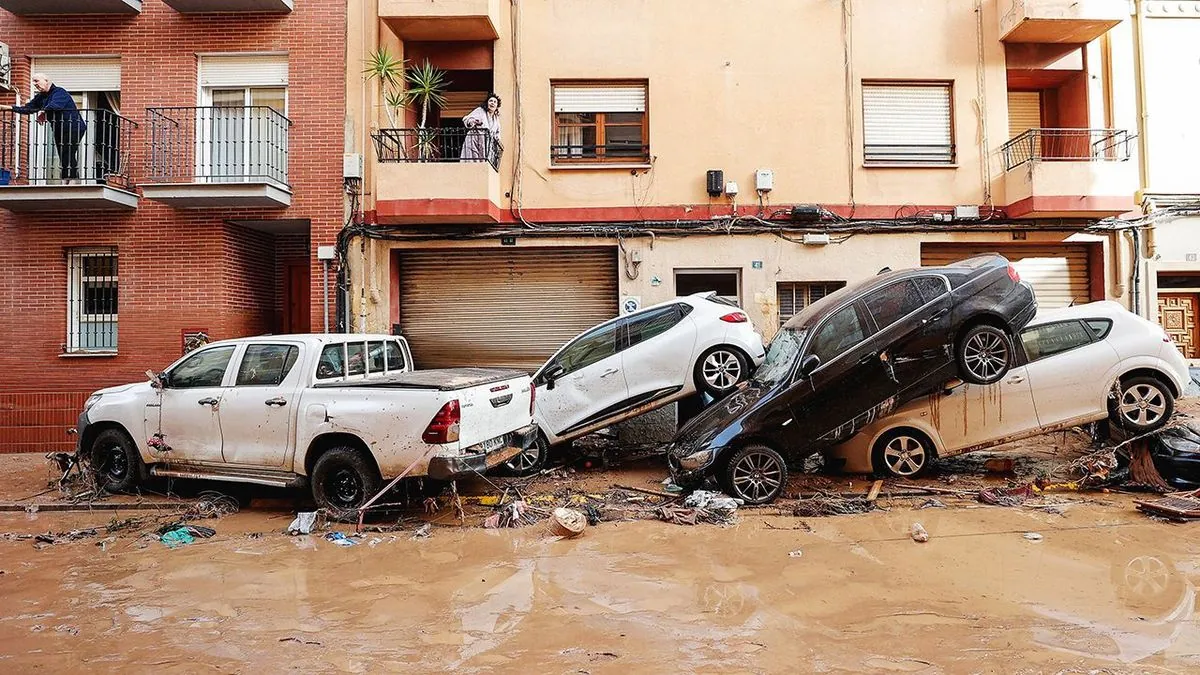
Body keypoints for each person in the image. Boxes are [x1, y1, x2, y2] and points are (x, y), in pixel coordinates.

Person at [1, 74, 87, 183]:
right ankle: (67, 179)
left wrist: (43, 112)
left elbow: (56, 105)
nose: (35, 84)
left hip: (74, 126)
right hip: (59, 128)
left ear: (46, 81)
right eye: (33, 82)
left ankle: (71, 180)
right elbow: (29, 108)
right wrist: (9, 107)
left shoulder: (59, 92)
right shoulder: (41, 97)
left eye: (37, 81)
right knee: (63, 153)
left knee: (68, 151)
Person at [460, 92, 501, 164]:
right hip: (474, 141)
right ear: (487, 103)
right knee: (472, 162)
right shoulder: (480, 111)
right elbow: (467, 118)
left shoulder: (496, 119)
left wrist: (497, 143)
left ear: (497, 106)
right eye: (490, 101)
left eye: (495, 102)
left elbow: (497, 134)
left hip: (486, 146)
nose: (492, 103)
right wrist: (472, 122)